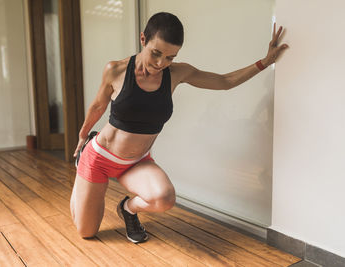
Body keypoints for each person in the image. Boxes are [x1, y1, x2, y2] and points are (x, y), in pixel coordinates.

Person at [70, 12, 289, 243]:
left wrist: (265, 62)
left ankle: (128, 209)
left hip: (135, 162)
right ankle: (83, 164)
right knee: (87, 232)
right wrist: (83, 135)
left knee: (164, 198)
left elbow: (225, 82)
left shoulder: (176, 74)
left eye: (170, 58)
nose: (160, 63)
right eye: (156, 53)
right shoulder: (116, 70)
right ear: (143, 39)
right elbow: (97, 106)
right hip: (100, 158)